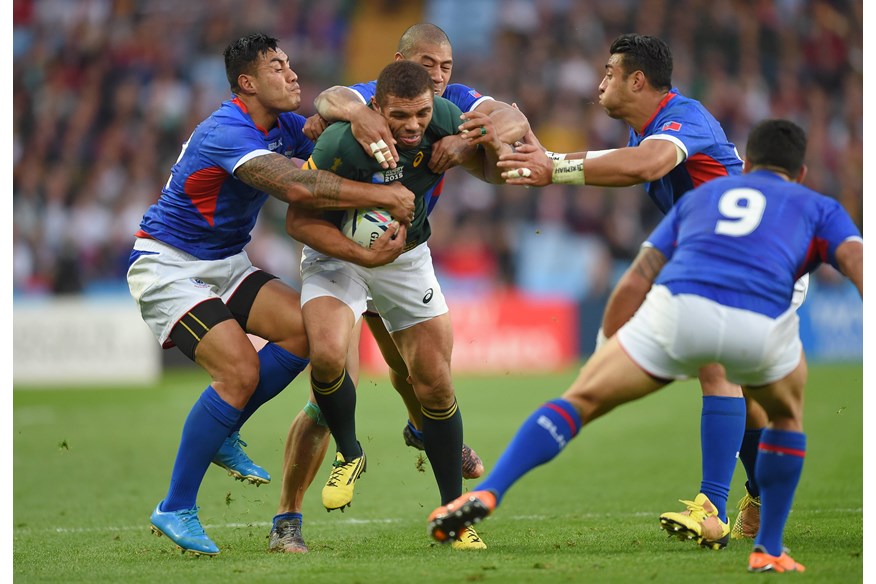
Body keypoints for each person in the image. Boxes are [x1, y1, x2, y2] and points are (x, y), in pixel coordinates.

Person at [428, 118, 863, 573]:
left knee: (580, 401)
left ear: (747, 164)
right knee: (786, 414)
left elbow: (639, 275)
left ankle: (490, 488)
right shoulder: (818, 206)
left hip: (678, 310)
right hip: (759, 320)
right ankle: (768, 548)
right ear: (802, 174)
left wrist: (607, 347)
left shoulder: (702, 199)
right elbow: (855, 262)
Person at [126, 33, 414, 557]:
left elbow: (331, 148)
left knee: (306, 334)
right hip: (168, 265)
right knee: (238, 373)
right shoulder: (227, 130)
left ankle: (223, 427)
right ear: (247, 82)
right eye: (278, 67)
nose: (293, 74)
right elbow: (298, 188)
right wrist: (383, 197)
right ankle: (176, 506)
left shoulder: (281, 125)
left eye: (290, 64)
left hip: (226, 264)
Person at [497, 33, 776, 547]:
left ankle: (712, 506)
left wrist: (553, 167)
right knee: (743, 393)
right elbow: (625, 169)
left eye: (608, 72)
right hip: (722, 262)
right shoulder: (647, 132)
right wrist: (551, 163)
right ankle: (759, 495)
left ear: (637, 80)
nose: (599, 82)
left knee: (719, 368)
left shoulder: (683, 119)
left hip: (757, 257)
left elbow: (646, 167)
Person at [267, 22, 530, 553]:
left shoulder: (449, 106)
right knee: (327, 371)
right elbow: (327, 110)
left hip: (405, 255)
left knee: (432, 379)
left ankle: (451, 510)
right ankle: (291, 514)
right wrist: (357, 117)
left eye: (445, 67)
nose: (436, 78)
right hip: (340, 254)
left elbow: (513, 122)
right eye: (427, 64)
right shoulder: (358, 113)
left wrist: (464, 141)